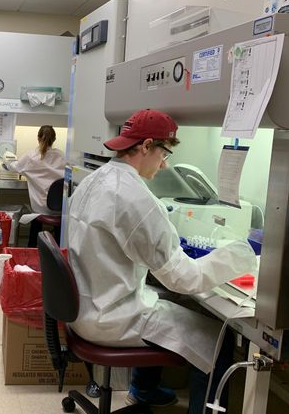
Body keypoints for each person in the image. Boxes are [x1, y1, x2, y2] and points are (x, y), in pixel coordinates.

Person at [66, 109, 257, 414]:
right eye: (165, 152)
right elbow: (184, 279)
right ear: (146, 145)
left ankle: (144, 389)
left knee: (168, 302)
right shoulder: (136, 199)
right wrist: (244, 251)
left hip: (86, 306)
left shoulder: (96, 178)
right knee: (220, 340)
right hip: (110, 315)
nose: (165, 162)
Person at [4, 125, 65, 246]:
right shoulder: (62, 156)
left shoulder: (31, 156)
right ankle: (59, 248)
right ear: (54, 139)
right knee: (55, 219)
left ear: (38, 138)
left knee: (34, 215)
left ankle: (32, 246)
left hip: (40, 209)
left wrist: (7, 161)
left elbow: (14, 167)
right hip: (60, 209)